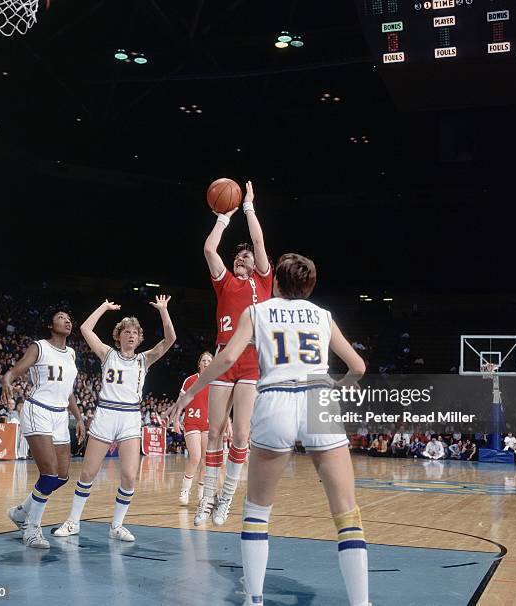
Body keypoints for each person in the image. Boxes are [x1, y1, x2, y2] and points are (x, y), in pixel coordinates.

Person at [169, 253, 369, 606]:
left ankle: (255, 599)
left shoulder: (256, 312)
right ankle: (360, 603)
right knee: (346, 512)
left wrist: (190, 393)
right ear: (309, 286)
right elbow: (358, 366)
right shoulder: (323, 315)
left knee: (258, 511)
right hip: (317, 396)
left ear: (275, 280)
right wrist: (334, 388)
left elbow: (227, 359)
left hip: (275, 397)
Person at [53, 296, 175, 542]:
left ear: (139, 338)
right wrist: (104, 307)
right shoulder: (107, 354)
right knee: (88, 473)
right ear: (118, 336)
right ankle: (73, 521)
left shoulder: (144, 359)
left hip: (130, 417)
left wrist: (163, 310)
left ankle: (116, 525)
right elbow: (86, 328)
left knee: (130, 476)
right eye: (126, 331)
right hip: (106, 414)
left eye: (135, 333)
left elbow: (170, 339)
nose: (131, 335)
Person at [198, 180, 273, 526]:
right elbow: (210, 250)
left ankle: (226, 497)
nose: (244, 257)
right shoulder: (224, 281)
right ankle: (207, 497)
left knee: (241, 434)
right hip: (223, 356)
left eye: (248, 256)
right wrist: (223, 218)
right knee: (214, 432)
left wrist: (248, 207)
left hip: (251, 358)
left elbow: (258, 241)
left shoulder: (263, 282)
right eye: (239, 256)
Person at [3, 308, 86, 549]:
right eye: (61, 318)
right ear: (50, 325)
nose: (67, 321)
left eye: (69, 319)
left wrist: (79, 418)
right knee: (48, 474)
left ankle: (20, 512)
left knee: (61, 476)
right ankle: (31, 529)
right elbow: (17, 370)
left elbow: (67, 391)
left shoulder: (71, 353)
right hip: (37, 409)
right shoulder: (39, 347)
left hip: (60, 415)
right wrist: (8, 379)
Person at [177, 351, 213, 505]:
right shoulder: (190, 380)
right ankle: (185, 491)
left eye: (209, 360)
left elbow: (221, 405)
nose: (206, 362)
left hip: (208, 424)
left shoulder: (216, 382)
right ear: (199, 364)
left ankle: (201, 494)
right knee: (195, 457)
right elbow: (180, 401)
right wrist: (176, 420)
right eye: (203, 360)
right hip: (191, 422)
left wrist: (228, 423)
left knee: (205, 461)